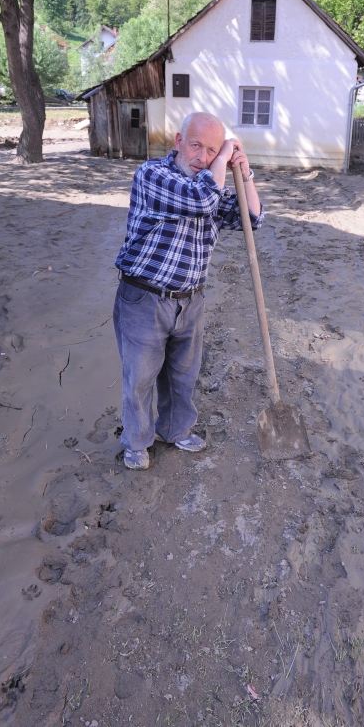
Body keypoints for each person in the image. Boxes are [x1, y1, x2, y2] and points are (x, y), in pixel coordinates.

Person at [113, 112, 264, 470]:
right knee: (140, 379)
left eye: (212, 150)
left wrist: (245, 174)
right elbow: (200, 200)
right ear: (179, 141)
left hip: (190, 299)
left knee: (183, 375)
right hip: (145, 298)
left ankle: (175, 429)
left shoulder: (211, 182)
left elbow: (252, 218)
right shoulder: (153, 175)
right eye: (196, 145)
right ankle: (137, 442)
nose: (203, 156)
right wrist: (224, 156)